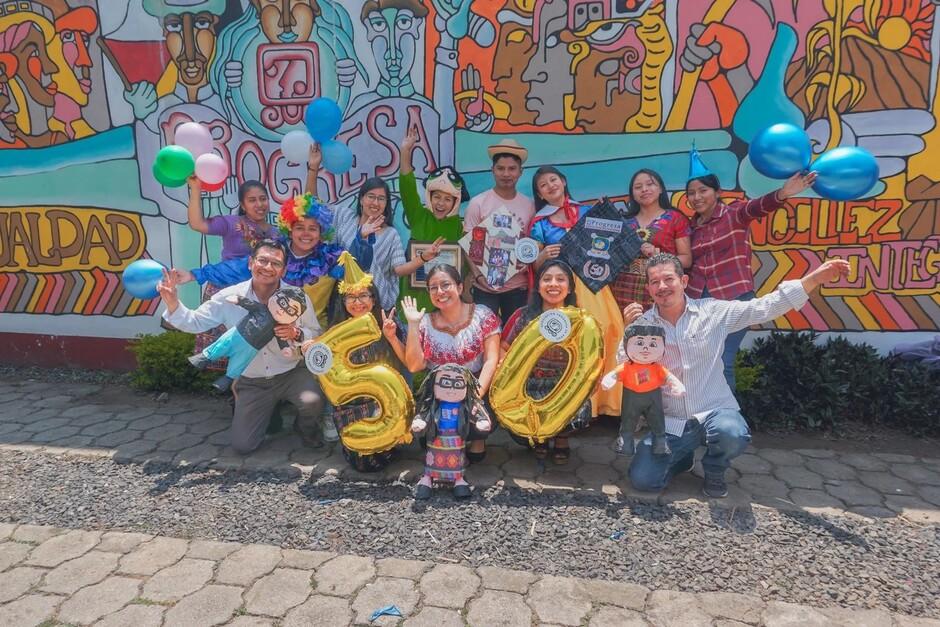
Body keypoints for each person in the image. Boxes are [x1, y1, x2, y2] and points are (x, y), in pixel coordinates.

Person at [621, 252, 851, 498]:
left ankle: (715, 468)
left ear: (684, 282)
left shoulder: (713, 312)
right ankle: (681, 459)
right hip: (671, 421)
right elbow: (624, 368)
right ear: (648, 289)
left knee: (731, 433)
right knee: (643, 480)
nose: (662, 287)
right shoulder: (642, 325)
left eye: (668, 279)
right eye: (655, 282)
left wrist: (813, 279)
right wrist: (628, 334)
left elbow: (763, 307)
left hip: (714, 412)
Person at [158, 239, 328, 454]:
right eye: (262, 260)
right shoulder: (230, 297)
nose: (267, 268)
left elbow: (316, 333)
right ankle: (257, 404)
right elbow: (195, 322)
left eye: (275, 263)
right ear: (250, 263)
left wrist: (297, 333)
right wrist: (173, 302)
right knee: (243, 446)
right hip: (252, 380)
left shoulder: (297, 297)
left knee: (312, 401)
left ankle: (306, 429)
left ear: (283, 270)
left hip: (291, 372)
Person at [685, 146, 817, 389]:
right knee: (699, 362)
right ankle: (699, 419)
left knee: (722, 360)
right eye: (691, 193)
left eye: (703, 190)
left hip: (734, 297)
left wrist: (784, 193)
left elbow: (758, 206)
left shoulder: (734, 213)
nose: (697, 197)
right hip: (698, 302)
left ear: (717, 192)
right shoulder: (689, 228)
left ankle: (727, 423)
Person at [177, 192, 374, 329]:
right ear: (290, 229)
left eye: (312, 229)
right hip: (270, 334)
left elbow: (357, 270)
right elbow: (236, 268)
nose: (306, 234)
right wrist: (194, 274)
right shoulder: (274, 253)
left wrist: (362, 240)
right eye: (299, 228)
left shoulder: (330, 258)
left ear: (321, 232)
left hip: (313, 335)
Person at [529, 166, 623, 417]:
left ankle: (605, 402)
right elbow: (536, 265)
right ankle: (576, 408)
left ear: (564, 180)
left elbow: (608, 245)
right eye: (543, 185)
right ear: (539, 193)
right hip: (562, 288)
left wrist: (608, 217)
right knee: (572, 343)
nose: (550, 186)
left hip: (594, 285)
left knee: (606, 332)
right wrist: (543, 255)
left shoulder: (587, 211)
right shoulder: (539, 222)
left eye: (553, 180)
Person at [307, 145, 429, 310]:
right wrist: (313, 169)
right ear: (361, 199)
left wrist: (423, 259)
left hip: (376, 302)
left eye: (381, 199)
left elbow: (399, 269)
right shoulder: (345, 217)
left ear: (386, 204)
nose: (375, 203)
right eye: (371, 197)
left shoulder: (391, 234)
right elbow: (313, 207)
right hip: (343, 300)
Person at [401, 264, 500, 461]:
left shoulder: (482, 315)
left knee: (477, 433)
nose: (440, 292)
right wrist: (413, 325)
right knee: (430, 440)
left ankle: (477, 440)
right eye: (433, 287)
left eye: (446, 285)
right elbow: (415, 366)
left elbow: (491, 360)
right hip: (439, 394)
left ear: (460, 287)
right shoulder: (425, 322)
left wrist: (474, 397)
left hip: (476, 389)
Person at [501, 259, 591, 464]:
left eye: (561, 279)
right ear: (538, 286)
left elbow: (590, 359)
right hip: (530, 387)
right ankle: (539, 436)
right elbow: (503, 348)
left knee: (576, 406)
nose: (553, 284)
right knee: (520, 433)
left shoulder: (580, 321)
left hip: (563, 387)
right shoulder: (523, 316)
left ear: (569, 288)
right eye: (547, 279)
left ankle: (561, 437)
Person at [324, 252, 407, 472]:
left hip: (385, 402)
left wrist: (391, 337)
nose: (358, 302)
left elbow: (409, 363)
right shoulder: (336, 332)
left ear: (373, 298)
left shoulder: (388, 323)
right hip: (352, 406)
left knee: (386, 452)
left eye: (364, 296)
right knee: (363, 462)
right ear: (342, 301)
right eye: (351, 297)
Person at [186, 178, 277, 369]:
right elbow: (197, 224)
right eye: (252, 200)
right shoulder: (231, 223)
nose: (259, 204)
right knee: (223, 343)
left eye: (263, 199)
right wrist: (195, 189)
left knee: (250, 345)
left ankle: (245, 392)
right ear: (243, 205)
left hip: (257, 295)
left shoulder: (277, 233)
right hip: (225, 290)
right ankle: (228, 390)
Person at [463, 139, 535, 324]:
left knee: (516, 338)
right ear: (492, 170)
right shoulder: (478, 203)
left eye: (512, 168)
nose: (506, 173)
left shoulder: (529, 206)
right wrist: (478, 276)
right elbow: (468, 246)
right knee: (483, 338)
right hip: (484, 288)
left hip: (518, 287)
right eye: (500, 168)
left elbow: (532, 245)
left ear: (521, 172)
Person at [398, 127, 469, 311]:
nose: (441, 203)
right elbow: (407, 187)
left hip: (444, 305)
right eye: (437, 197)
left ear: (455, 201)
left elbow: (466, 263)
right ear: (429, 196)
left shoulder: (459, 226)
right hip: (414, 300)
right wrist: (405, 151)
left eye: (447, 199)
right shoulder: (418, 215)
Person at [610, 169, 692, 312]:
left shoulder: (676, 218)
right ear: (633, 194)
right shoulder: (624, 222)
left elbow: (686, 259)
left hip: (661, 287)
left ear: (660, 188)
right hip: (623, 287)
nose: (644, 189)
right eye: (638, 187)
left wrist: (659, 257)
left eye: (650, 184)